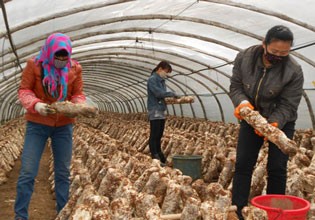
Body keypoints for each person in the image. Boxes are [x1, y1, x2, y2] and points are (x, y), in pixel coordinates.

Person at [229, 25, 304, 219]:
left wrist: (273, 124)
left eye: (284, 53)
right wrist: (243, 104)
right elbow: (236, 86)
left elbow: (289, 104)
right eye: (274, 51)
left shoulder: (293, 70)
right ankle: (237, 210)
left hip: (281, 121)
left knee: (277, 167)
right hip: (251, 115)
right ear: (264, 44)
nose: (279, 56)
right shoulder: (245, 58)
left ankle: (274, 212)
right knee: (244, 163)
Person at [15, 33, 86, 220]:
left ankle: (62, 214)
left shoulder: (75, 68)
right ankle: (20, 216)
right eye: (58, 56)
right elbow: (24, 90)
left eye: (65, 57)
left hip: (63, 126)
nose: (62, 60)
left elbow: (78, 93)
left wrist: (77, 106)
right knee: (28, 172)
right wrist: (36, 104)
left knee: (63, 173)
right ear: (50, 51)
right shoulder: (35, 65)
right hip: (37, 124)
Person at [147, 61, 178, 166]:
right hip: (155, 109)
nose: (167, 74)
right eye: (166, 71)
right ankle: (155, 156)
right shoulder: (152, 80)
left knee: (159, 134)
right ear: (160, 69)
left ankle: (160, 155)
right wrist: (171, 94)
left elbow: (162, 94)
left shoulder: (161, 80)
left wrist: (170, 98)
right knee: (154, 134)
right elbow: (158, 93)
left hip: (160, 109)